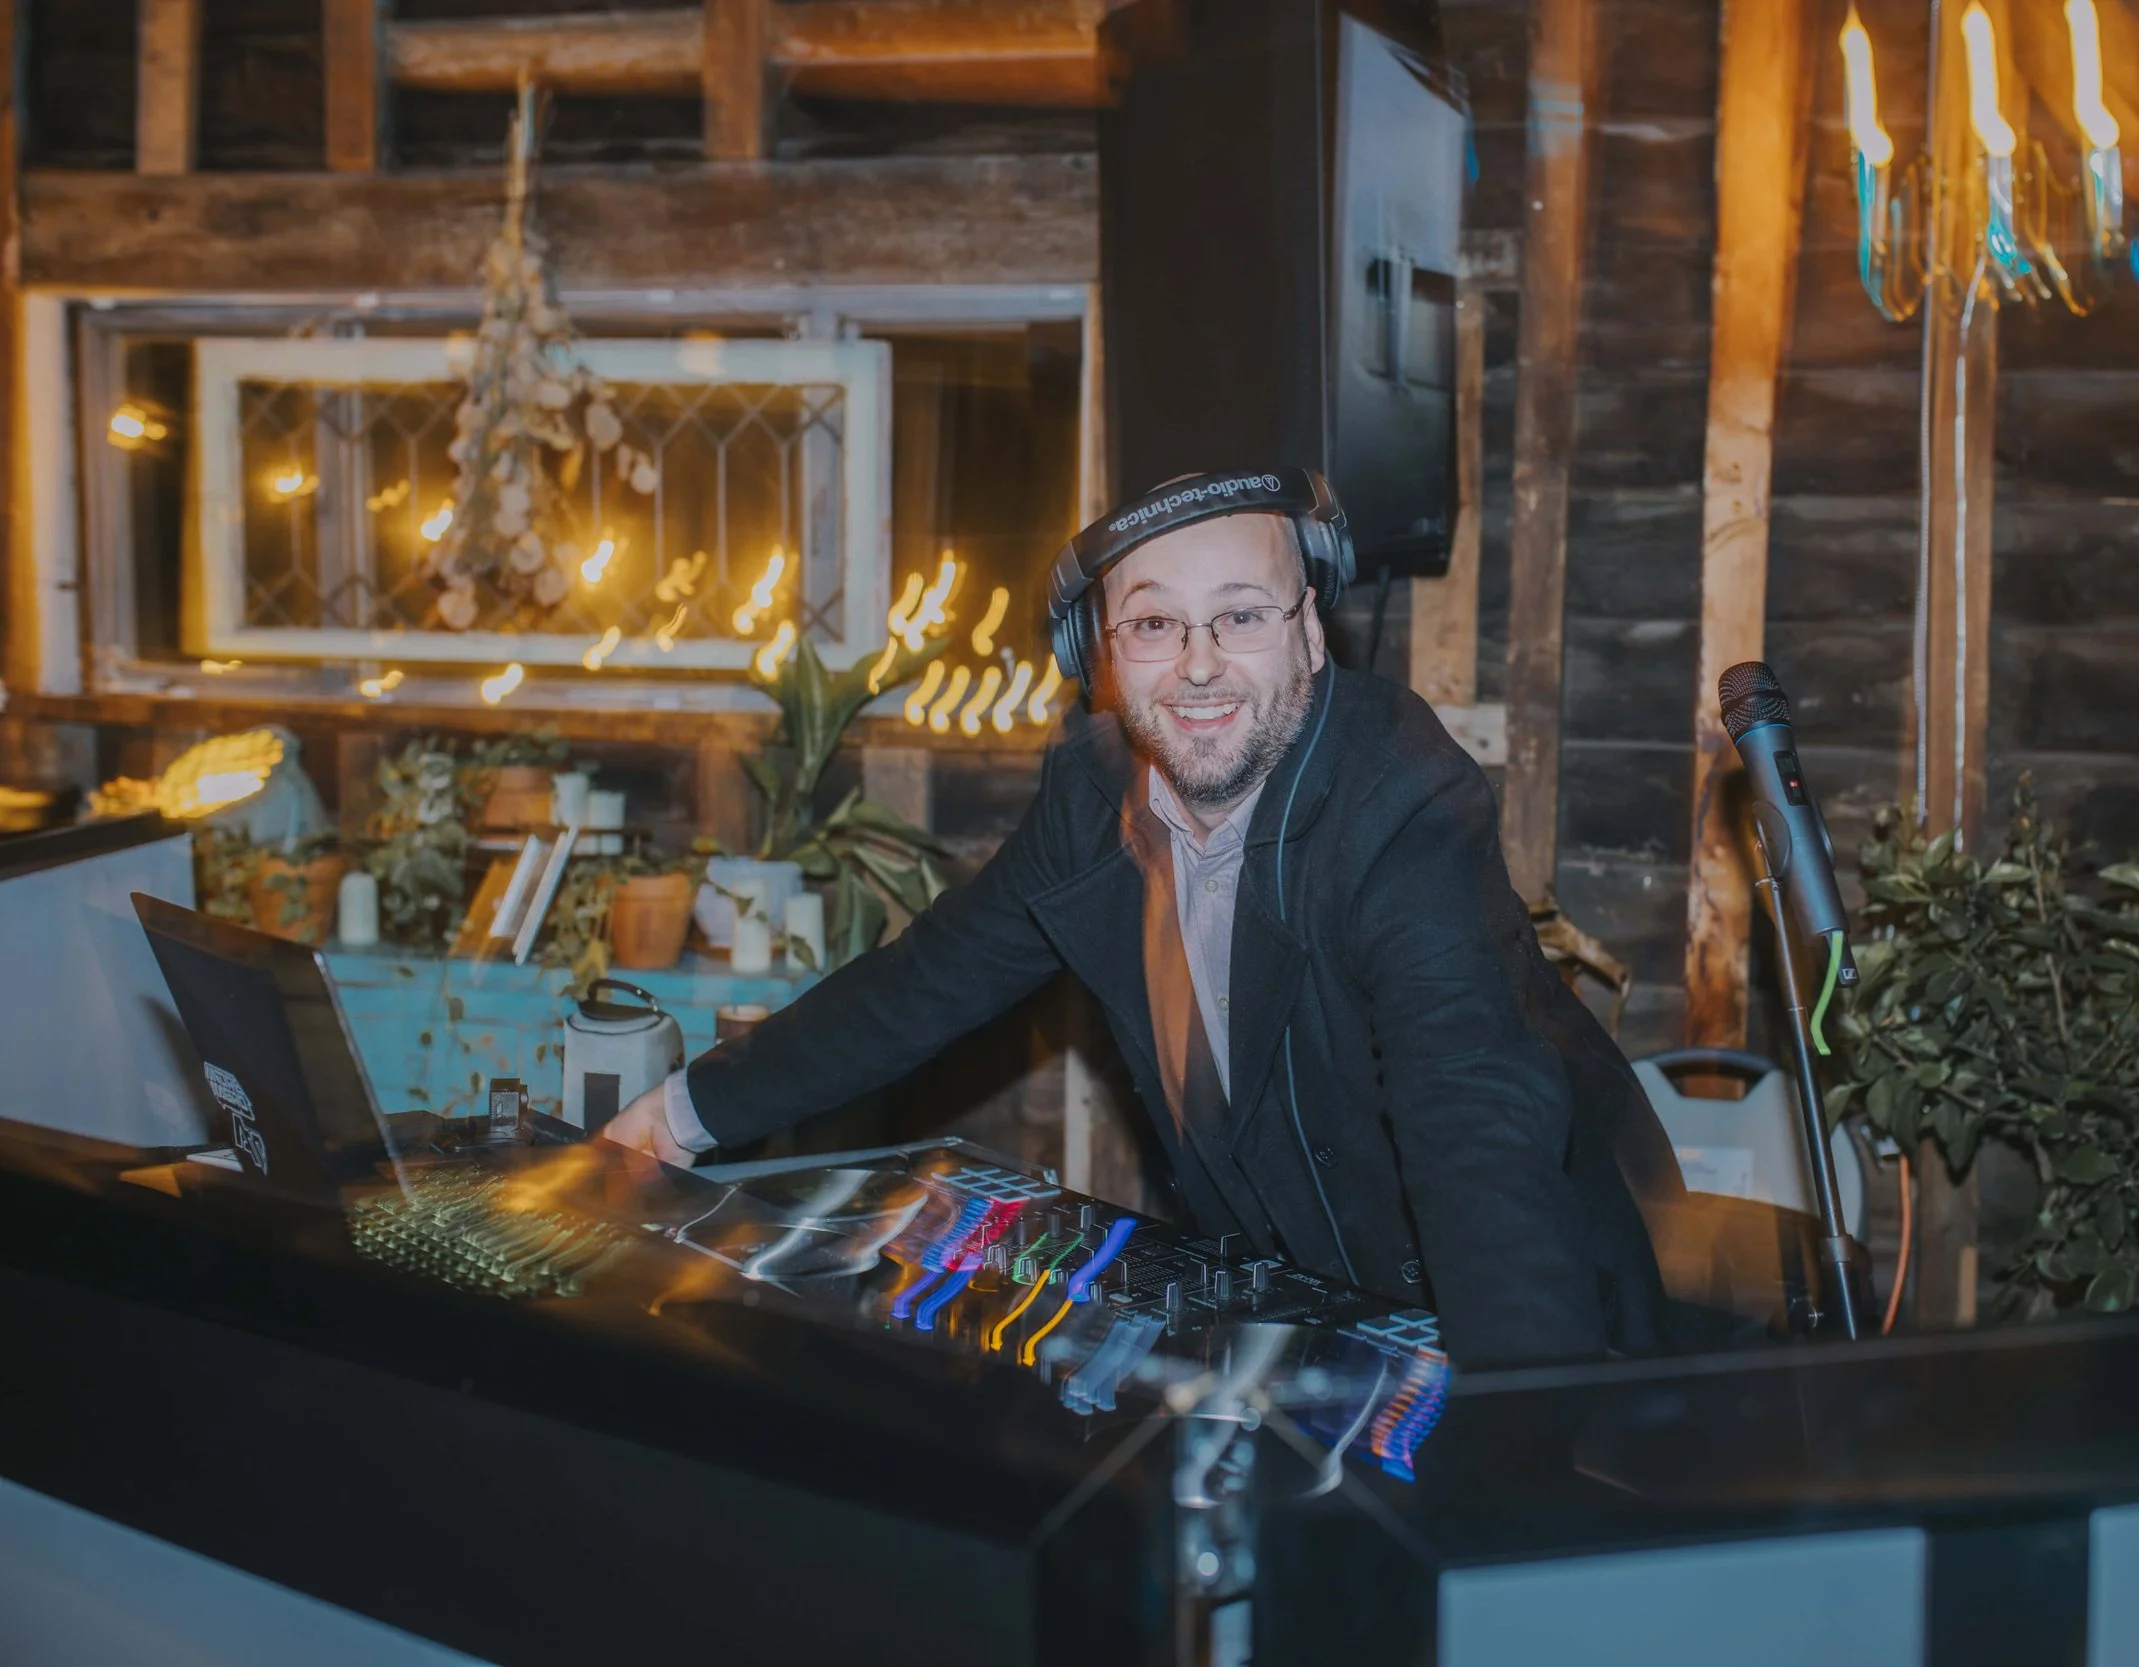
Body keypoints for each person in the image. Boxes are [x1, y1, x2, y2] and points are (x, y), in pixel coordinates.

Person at [603, 470, 1688, 1368]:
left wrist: (1525, 1448)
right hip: (1313, 1299)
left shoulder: (1399, 803)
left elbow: (1474, 1126)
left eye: (1242, 615)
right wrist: (679, 1115)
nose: (1199, 662)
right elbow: (923, 983)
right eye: (1156, 623)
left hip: (1525, 1313)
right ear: (1105, 661)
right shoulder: (1091, 803)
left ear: (1310, 635)